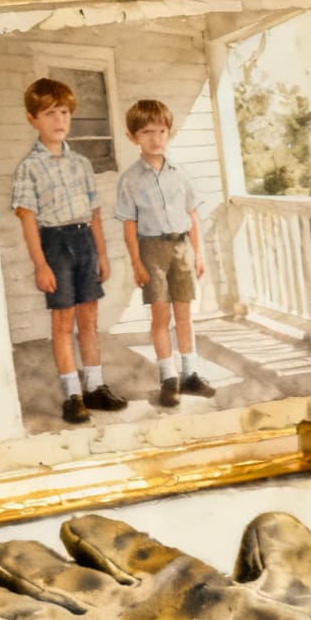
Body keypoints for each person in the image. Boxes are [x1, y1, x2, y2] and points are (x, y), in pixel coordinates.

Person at [11, 77, 126, 425]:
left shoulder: (81, 164)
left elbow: (94, 215)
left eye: (64, 112)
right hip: (55, 245)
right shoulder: (29, 168)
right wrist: (40, 265)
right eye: (49, 113)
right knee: (63, 323)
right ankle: (72, 394)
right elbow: (28, 220)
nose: (59, 120)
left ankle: (94, 387)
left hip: (84, 243)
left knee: (89, 320)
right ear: (33, 119)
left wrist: (102, 255)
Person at [114, 99, 215, 408]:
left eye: (161, 131)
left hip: (182, 246)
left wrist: (198, 255)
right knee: (161, 315)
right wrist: (136, 263)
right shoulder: (130, 180)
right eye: (147, 132)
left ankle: (189, 374)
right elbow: (129, 226)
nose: (155, 139)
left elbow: (193, 216)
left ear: (169, 133)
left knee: (184, 314)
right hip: (152, 250)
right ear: (133, 137)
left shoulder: (180, 174)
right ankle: (168, 378)